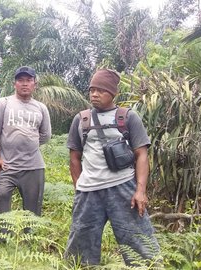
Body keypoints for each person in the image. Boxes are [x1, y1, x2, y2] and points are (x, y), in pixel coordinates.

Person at [65, 69, 160, 266]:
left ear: (113, 93)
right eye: (92, 90)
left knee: (140, 244)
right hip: (89, 191)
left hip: (123, 187)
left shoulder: (128, 117)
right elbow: (74, 157)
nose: (94, 94)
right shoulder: (81, 120)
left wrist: (140, 190)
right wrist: (79, 187)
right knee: (80, 248)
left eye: (101, 90)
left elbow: (141, 154)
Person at [0, 66, 51, 217]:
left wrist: (29, 143)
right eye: (20, 80)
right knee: (0, 199)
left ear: (34, 84)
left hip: (33, 167)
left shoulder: (41, 108)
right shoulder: (3, 103)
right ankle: (1, 239)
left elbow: (46, 135)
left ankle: (29, 239)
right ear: (14, 83)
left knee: (33, 210)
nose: (24, 84)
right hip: (6, 165)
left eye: (29, 80)